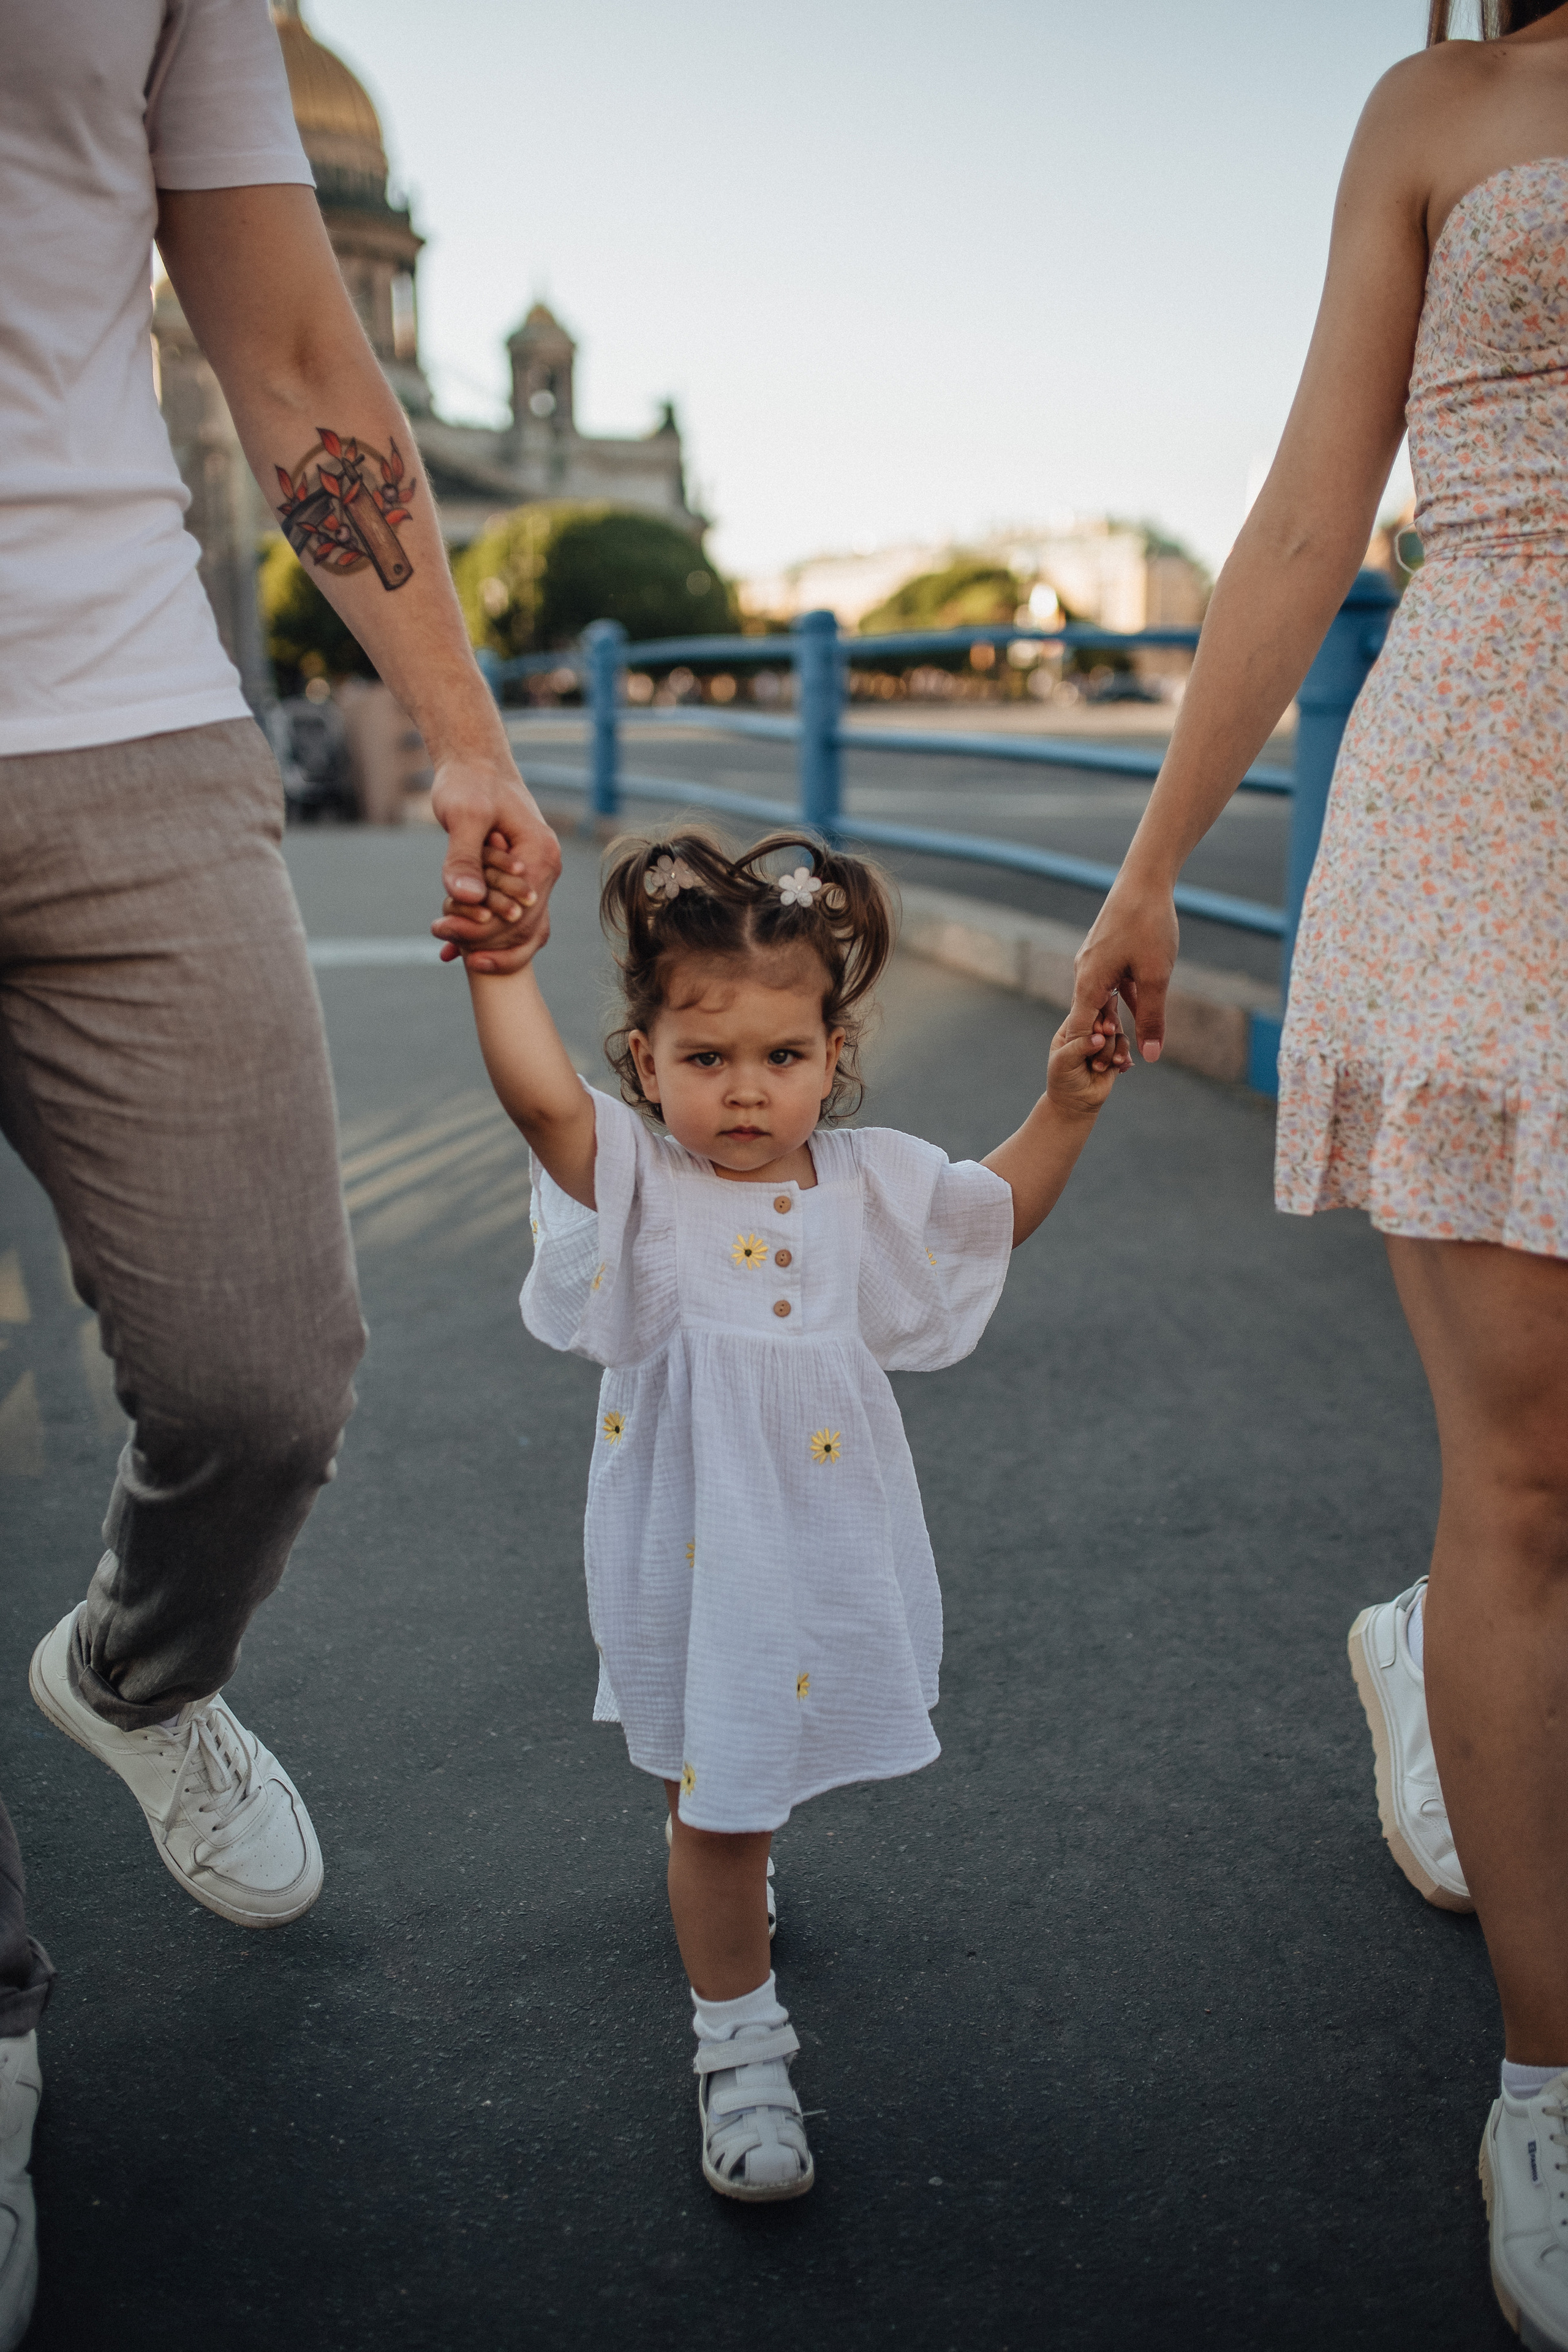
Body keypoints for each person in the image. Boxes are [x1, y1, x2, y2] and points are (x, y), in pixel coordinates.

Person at [0, 0, 557, 2334]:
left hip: (122, 707)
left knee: (266, 1371)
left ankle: (137, 1673)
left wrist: (468, 730)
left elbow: (295, 328)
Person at [1066, 1, 1568, 2339]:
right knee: (1537, 1473)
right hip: (1491, 806)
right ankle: (1553, 2084)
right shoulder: (1443, 111)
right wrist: (1155, 862)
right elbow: (1301, 511)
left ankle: (1429, 1660)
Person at [451, 825, 1127, 2199]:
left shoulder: (868, 1181)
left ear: (833, 1053)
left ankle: (724, 1899)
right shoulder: (643, 1185)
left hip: (812, 1528)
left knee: (725, 1784)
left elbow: (986, 1216)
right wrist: (498, 974)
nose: (746, 1093)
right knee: (712, 1793)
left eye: (782, 1058)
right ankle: (739, 2046)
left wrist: (1064, 1109)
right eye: (704, 1061)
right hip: (689, 1533)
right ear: (645, 1063)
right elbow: (539, 1107)